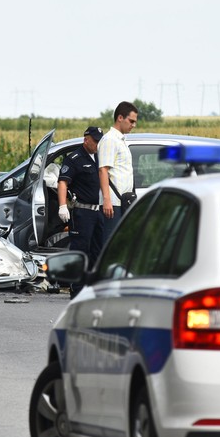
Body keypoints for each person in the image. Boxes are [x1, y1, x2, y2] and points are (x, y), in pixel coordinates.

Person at [57, 126, 104, 297]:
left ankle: (92, 288)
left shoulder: (100, 157)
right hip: (83, 213)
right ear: (86, 140)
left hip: (99, 212)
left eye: (100, 140)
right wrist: (62, 206)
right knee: (80, 251)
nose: (98, 144)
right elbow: (63, 182)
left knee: (97, 251)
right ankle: (76, 290)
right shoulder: (74, 159)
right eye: (96, 140)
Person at [98, 101, 138, 243]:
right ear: (120, 118)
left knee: (121, 244)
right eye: (131, 121)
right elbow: (103, 170)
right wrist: (107, 200)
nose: (133, 125)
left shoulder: (120, 140)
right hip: (113, 203)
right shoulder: (110, 140)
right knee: (111, 244)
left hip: (123, 201)